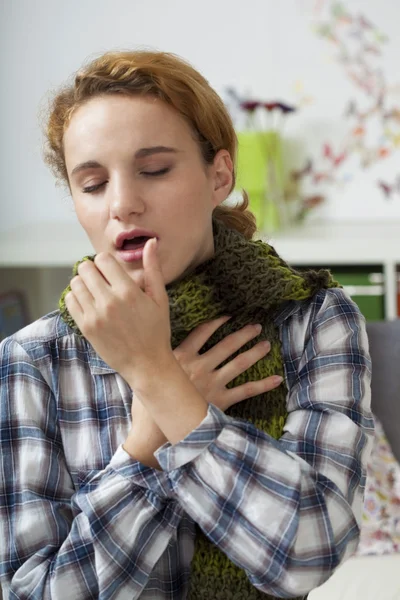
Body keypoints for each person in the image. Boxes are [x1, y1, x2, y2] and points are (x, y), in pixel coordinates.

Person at [0, 50, 374, 600]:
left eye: (154, 170)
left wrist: (156, 376)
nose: (123, 204)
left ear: (218, 175)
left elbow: (309, 553)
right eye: (93, 183)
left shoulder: (314, 319)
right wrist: (149, 441)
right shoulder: (32, 360)